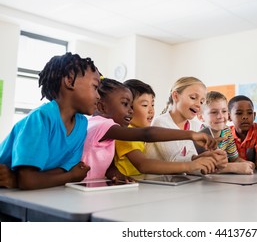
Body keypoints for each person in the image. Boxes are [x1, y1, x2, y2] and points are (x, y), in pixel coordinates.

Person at [82, 77, 219, 180]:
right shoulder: (106, 126)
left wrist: (117, 175)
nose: (129, 110)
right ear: (101, 107)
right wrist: (191, 139)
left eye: (152, 105)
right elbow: (147, 139)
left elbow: (108, 165)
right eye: (125, 104)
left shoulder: (111, 130)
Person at [0, 52, 100, 189]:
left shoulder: (82, 124)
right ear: (70, 81)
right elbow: (28, 181)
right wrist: (71, 177)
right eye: (95, 87)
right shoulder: (41, 118)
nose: (99, 96)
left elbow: (62, 170)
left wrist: (22, 179)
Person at [144, 77, 228, 169]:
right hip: (156, 182)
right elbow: (174, 160)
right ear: (175, 96)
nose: (198, 104)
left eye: (201, 101)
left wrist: (209, 156)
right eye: (193, 98)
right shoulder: (160, 123)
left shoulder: (195, 125)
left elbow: (191, 158)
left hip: (180, 181)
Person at [197, 91, 255, 174]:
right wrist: (234, 167)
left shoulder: (227, 131)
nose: (220, 116)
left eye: (224, 111)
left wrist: (247, 164)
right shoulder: (199, 136)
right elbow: (202, 167)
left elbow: (234, 158)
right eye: (214, 112)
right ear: (201, 117)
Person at [228, 95, 257, 172]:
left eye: (249, 113)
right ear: (229, 116)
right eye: (239, 113)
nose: (245, 117)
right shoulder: (226, 133)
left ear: (254, 115)